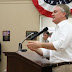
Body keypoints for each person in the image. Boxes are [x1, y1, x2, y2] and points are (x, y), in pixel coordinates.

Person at [27, 4, 72, 72]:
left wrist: (41, 44)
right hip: (56, 67)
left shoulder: (67, 27)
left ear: (63, 14)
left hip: (64, 67)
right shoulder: (57, 30)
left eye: (55, 12)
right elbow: (48, 52)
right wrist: (35, 48)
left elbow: (60, 45)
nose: (52, 14)